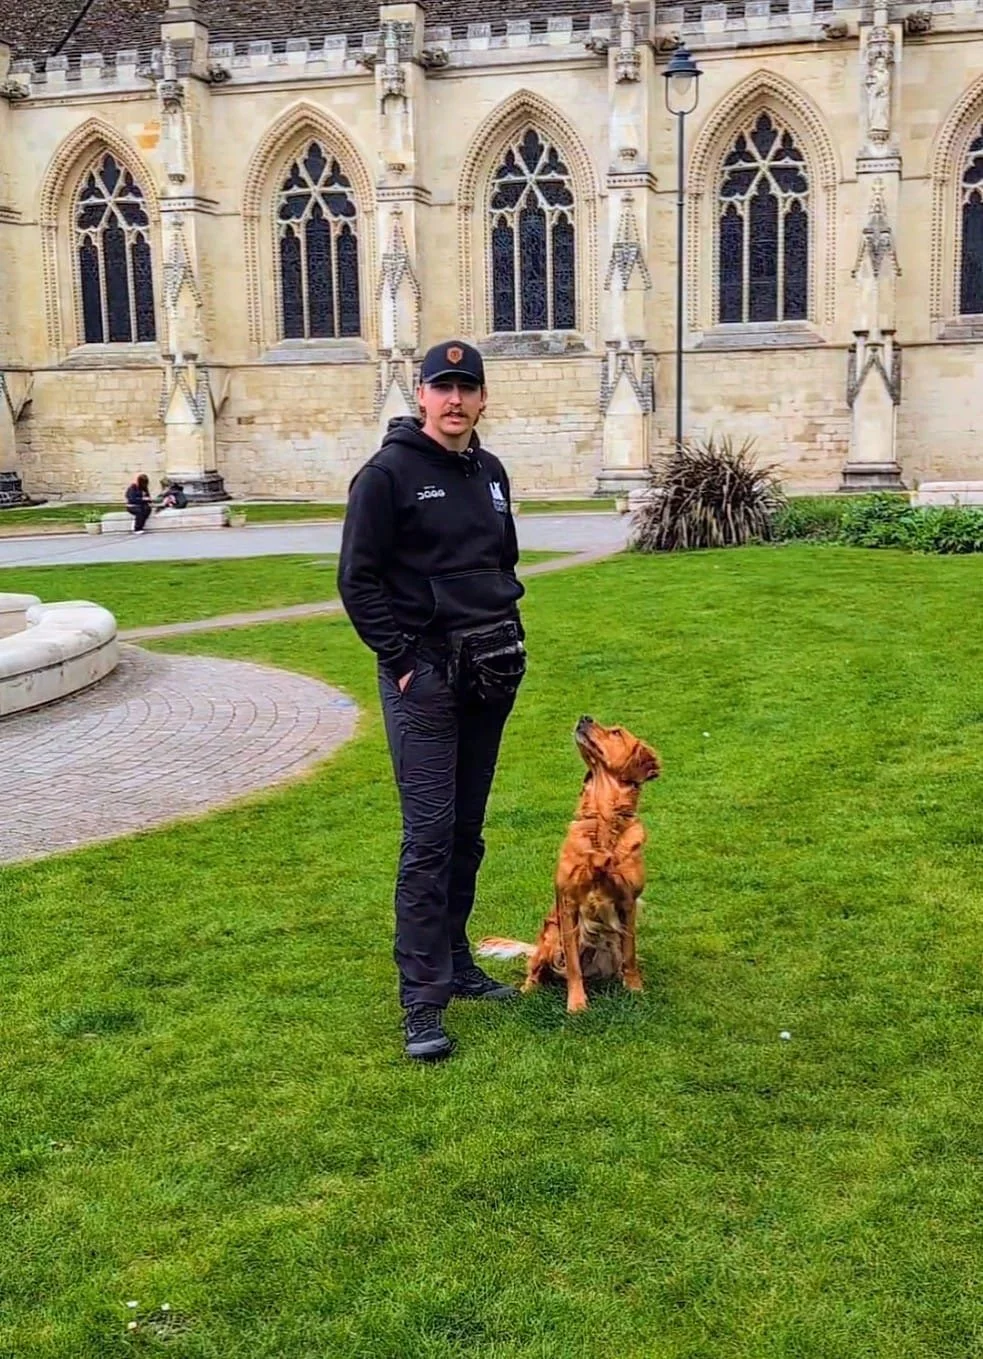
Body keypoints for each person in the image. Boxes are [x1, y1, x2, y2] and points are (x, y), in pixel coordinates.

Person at [338, 340, 528, 1062]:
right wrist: (406, 662)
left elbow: (498, 561)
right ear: (420, 394)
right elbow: (357, 581)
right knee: (427, 836)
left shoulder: (490, 472)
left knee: (467, 830)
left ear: (482, 398)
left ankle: (454, 963)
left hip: (490, 668)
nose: (454, 400)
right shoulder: (386, 475)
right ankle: (420, 1000)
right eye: (441, 387)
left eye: (466, 389)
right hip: (425, 677)